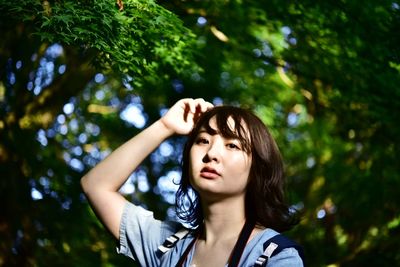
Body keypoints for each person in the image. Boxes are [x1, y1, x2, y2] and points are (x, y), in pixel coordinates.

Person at [81, 98, 303, 266]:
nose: (211, 153)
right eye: (203, 140)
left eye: (232, 145)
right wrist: (165, 126)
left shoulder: (277, 256)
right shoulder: (167, 247)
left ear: (258, 169)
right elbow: (95, 185)